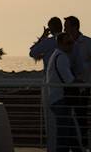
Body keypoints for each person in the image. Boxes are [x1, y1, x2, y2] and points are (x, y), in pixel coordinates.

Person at [64, 16, 91, 149]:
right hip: (68, 85)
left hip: (82, 86)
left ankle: (83, 145)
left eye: (66, 26)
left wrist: (82, 66)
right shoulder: (65, 43)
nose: (64, 29)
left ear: (74, 27)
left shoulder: (87, 42)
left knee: (81, 116)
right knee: (68, 116)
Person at [30, 17, 63, 152]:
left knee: (50, 118)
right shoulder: (68, 41)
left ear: (51, 28)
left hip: (50, 82)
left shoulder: (50, 42)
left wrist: (43, 36)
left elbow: (33, 52)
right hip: (64, 82)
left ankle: (53, 148)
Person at [46, 32, 79, 152]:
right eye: (68, 43)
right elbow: (69, 80)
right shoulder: (62, 57)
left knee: (71, 134)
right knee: (64, 136)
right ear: (60, 44)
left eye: (72, 43)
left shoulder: (56, 55)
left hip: (57, 99)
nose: (71, 46)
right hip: (60, 100)